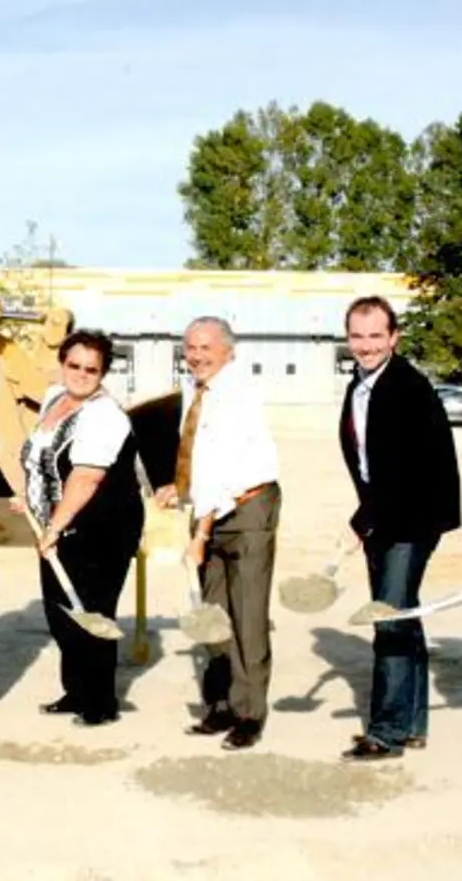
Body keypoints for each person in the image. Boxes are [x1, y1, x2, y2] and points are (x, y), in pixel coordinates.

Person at [337, 296, 461, 761]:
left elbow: (401, 470)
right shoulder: (361, 385)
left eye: (375, 336)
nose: (366, 346)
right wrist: (368, 515)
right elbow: (366, 461)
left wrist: (360, 522)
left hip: (412, 517)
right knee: (402, 613)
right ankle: (411, 724)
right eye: (357, 336)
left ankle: (386, 733)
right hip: (383, 513)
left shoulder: (406, 388)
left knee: (388, 618)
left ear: (394, 337)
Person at [155, 316, 281, 750]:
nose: (196, 355)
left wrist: (199, 534)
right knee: (211, 612)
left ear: (229, 350)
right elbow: (201, 458)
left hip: (246, 509)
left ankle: (249, 714)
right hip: (208, 506)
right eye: (190, 346)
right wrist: (180, 487)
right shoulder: (194, 389)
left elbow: (228, 468)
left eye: (206, 347)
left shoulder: (237, 394)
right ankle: (220, 706)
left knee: (247, 616)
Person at [10, 329, 144, 727]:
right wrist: (28, 495)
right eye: (74, 365)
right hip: (58, 521)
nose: (82, 374)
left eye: (92, 368)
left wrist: (54, 527)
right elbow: (40, 457)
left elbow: (85, 478)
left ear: (103, 372)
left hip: (103, 527)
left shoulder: (105, 415)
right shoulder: (56, 398)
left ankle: (100, 703)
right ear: (62, 363)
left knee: (92, 613)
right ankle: (76, 691)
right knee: (61, 613)